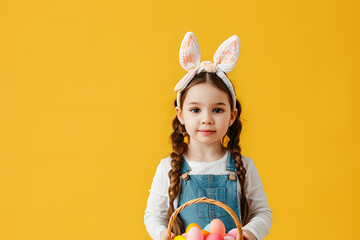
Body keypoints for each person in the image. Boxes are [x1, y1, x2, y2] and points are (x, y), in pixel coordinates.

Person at [144, 32, 272, 240]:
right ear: (181, 114)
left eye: (217, 110)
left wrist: (247, 233)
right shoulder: (168, 167)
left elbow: (262, 213)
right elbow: (153, 216)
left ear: (232, 116)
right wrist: (163, 235)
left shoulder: (244, 166)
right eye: (195, 110)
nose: (207, 119)